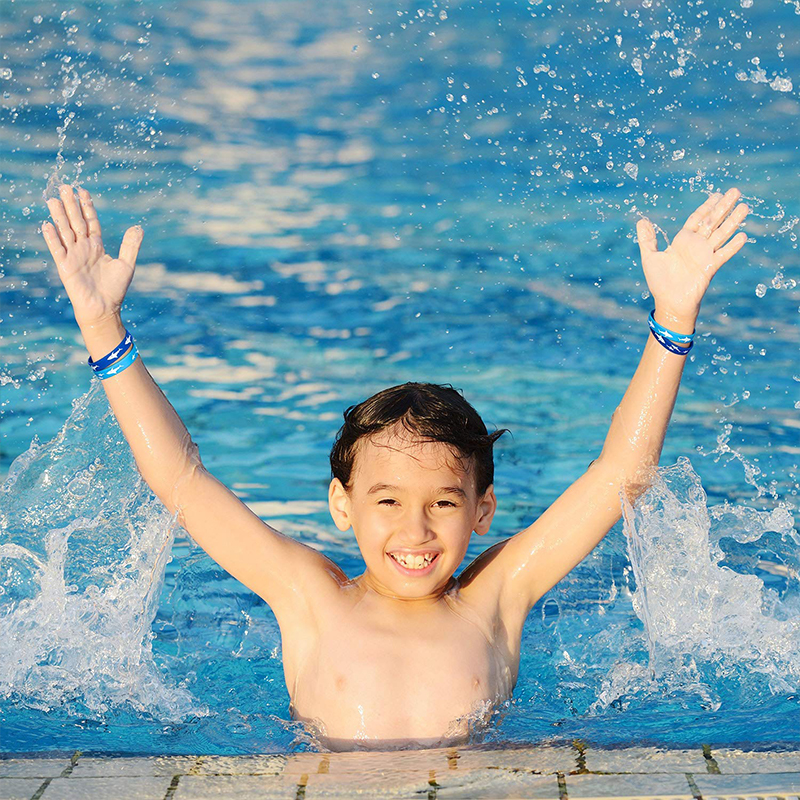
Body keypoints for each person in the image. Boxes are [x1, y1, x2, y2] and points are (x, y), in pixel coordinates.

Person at [41, 184, 749, 750]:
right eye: (386, 502)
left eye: (442, 503)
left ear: (483, 510)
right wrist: (103, 329)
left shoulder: (495, 600)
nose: (416, 530)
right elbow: (182, 480)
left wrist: (673, 319)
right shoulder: (309, 598)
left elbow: (618, 477)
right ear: (342, 506)